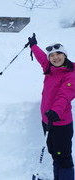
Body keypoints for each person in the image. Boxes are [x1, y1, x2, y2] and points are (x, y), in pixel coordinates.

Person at [28, 33, 75, 180]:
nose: (55, 58)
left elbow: (65, 95)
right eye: (52, 55)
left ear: (65, 55)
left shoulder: (71, 74)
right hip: (47, 120)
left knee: (64, 158)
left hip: (60, 122)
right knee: (55, 153)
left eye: (59, 54)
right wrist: (33, 46)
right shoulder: (49, 68)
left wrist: (56, 111)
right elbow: (42, 57)